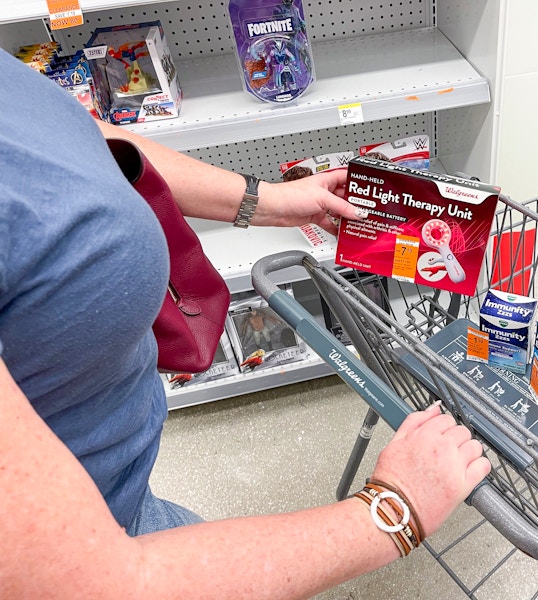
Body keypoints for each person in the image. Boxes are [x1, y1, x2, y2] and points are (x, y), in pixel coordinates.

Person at [0, 47, 490, 598]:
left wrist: (269, 201)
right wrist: (394, 510)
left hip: (117, 492)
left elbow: (82, 138)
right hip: (110, 549)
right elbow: (94, 585)